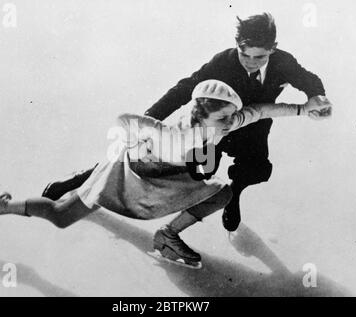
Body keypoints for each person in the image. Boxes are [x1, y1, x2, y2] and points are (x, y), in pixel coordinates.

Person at [0, 80, 331, 268]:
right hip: (129, 176)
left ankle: (168, 235)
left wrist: (303, 109)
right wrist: (119, 144)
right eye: (223, 119)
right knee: (61, 217)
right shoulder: (168, 132)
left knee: (221, 191)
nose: (231, 123)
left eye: (231, 117)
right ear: (200, 115)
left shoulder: (225, 120)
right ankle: (2, 205)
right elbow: (126, 120)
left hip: (169, 181)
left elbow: (262, 109)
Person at [41, 13, 332, 233]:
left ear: (273, 49)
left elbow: (308, 79)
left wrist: (317, 97)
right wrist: (151, 118)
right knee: (179, 167)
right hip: (209, 130)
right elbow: (184, 88)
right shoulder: (224, 62)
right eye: (245, 54)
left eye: (260, 57)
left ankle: (233, 195)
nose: (251, 62)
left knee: (257, 169)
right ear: (237, 46)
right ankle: (85, 179)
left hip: (251, 128)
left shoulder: (283, 61)